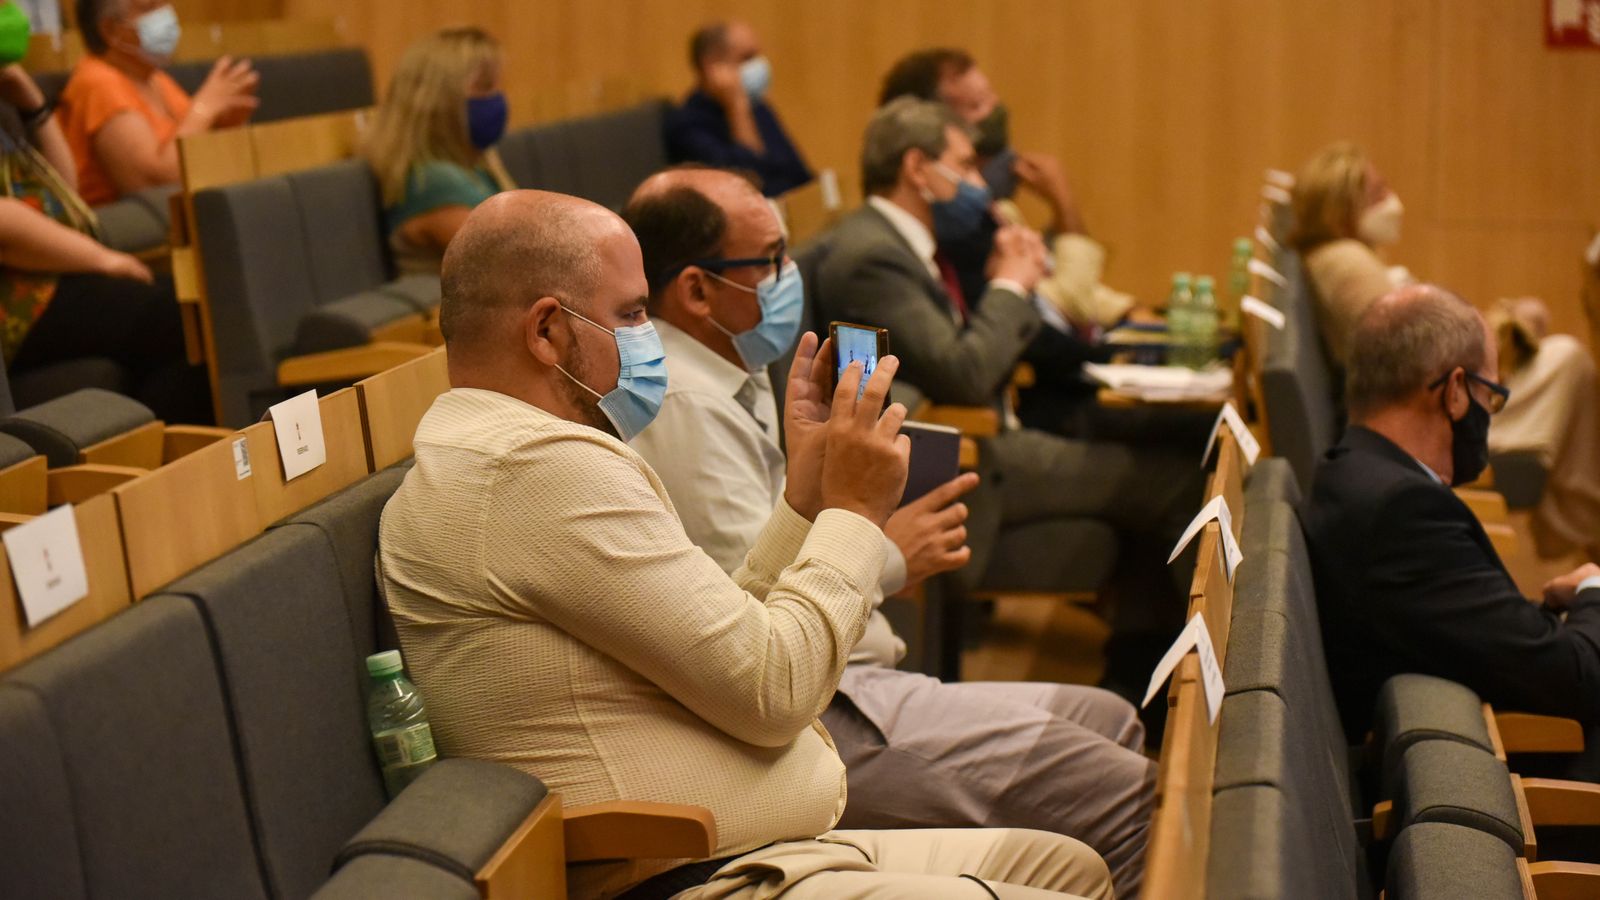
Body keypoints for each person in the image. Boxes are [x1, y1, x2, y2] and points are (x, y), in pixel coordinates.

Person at [377, 188, 1115, 900]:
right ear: (546, 331)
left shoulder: (516, 451)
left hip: (759, 849)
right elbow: (776, 689)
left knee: (1069, 867)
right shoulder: (532, 470)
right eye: (631, 314)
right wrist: (855, 514)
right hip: (686, 876)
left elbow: (729, 638)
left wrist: (805, 498)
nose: (646, 337)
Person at [624, 166, 1156, 897]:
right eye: (773, 262)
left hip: (845, 669)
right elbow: (748, 628)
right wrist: (882, 545)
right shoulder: (682, 405)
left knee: (1113, 718)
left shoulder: (736, 375)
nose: (791, 279)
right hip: (819, 706)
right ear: (695, 290)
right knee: (1130, 798)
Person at [816, 96, 1204, 701]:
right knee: (1177, 482)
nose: (979, 185)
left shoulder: (909, 245)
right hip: (966, 459)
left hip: (985, 438)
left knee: (1158, 486)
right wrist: (1009, 285)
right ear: (919, 169)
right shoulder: (873, 256)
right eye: (966, 167)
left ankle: (1137, 680)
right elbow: (966, 374)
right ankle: (1164, 693)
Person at [1300, 283, 1600, 777]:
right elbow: (1578, 679)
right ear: (1456, 391)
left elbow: (1468, 627)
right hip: (1540, 789)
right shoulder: (1403, 511)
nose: (1489, 414)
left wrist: (1547, 612)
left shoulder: (1348, 470)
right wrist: (1591, 590)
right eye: (1492, 396)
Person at [1294, 141, 1600, 559]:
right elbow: (1411, 351)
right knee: (1569, 359)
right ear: (1342, 205)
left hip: (1431, 398)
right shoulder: (1346, 261)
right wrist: (1504, 327)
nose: (1392, 202)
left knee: (1564, 359)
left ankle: (1576, 519)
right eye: (1377, 193)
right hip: (1430, 413)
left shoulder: (1345, 255)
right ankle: (1578, 520)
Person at [0, 27, 207, 420]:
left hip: (49, 275)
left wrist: (32, 106)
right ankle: (169, 467)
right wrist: (103, 260)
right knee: (174, 316)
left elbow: (66, 192)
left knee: (192, 308)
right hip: (17, 300)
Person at [60, 0, 259, 205]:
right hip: (132, 229)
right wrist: (204, 110)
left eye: (165, 4)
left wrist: (222, 124)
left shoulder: (154, 79)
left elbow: (195, 156)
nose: (166, 16)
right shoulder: (97, 82)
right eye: (149, 8)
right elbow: (153, 187)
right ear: (110, 30)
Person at [363, 27, 515, 276]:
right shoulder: (433, 182)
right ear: (438, 100)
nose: (497, 99)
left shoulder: (474, 169)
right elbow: (511, 265)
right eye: (484, 87)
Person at [664, 21, 811, 198]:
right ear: (712, 67)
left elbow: (800, 176)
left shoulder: (759, 108)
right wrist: (737, 107)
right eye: (747, 58)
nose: (759, 65)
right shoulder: (686, 125)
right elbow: (750, 186)